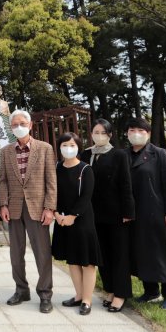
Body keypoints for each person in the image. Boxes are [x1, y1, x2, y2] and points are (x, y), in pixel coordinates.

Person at [0, 109, 56, 313]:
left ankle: (45, 293)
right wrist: (3, 204)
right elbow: (2, 180)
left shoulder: (45, 149)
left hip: (38, 208)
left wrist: (49, 207)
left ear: (30, 125)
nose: (18, 127)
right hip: (14, 208)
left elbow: (51, 180)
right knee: (16, 253)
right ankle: (21, 290)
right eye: (14, 125)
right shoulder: (6, 151)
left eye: (22, 123)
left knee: (42, 252)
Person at [80, 119, 135, 312]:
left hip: (116, 213)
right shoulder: (86, 154)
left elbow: (126, 184)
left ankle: (121, 294)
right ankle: (110, 289)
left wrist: (128, 212)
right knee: (102, 255)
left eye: (103, 133)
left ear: (110, 135)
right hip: (93, 214)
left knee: (119, 254)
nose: (99, 136)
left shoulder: (119, 155)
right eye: (96, 132)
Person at [126, 118, 166, 310]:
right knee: (141, 253)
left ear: (148, 133)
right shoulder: (125, 155)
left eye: (141, 130)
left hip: (156, 213)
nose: (136, 133)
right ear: (127, 133)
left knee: (162, 253)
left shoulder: (159, 154)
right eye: (132, 130)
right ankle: (151, 291)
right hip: (134, 215)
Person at [52, 133, 103, 316]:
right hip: (62, 219)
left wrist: (73, 215)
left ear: (78, 147)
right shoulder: (56, 168)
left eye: (72, 144)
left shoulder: (85, 169)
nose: (68, 148)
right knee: (72, 259)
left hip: (82, 220)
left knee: (87, 261)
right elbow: (52, 192)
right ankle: (79, 295)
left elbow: (86, 196)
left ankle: (87, 300)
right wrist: (56, 213)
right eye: (64, 144)